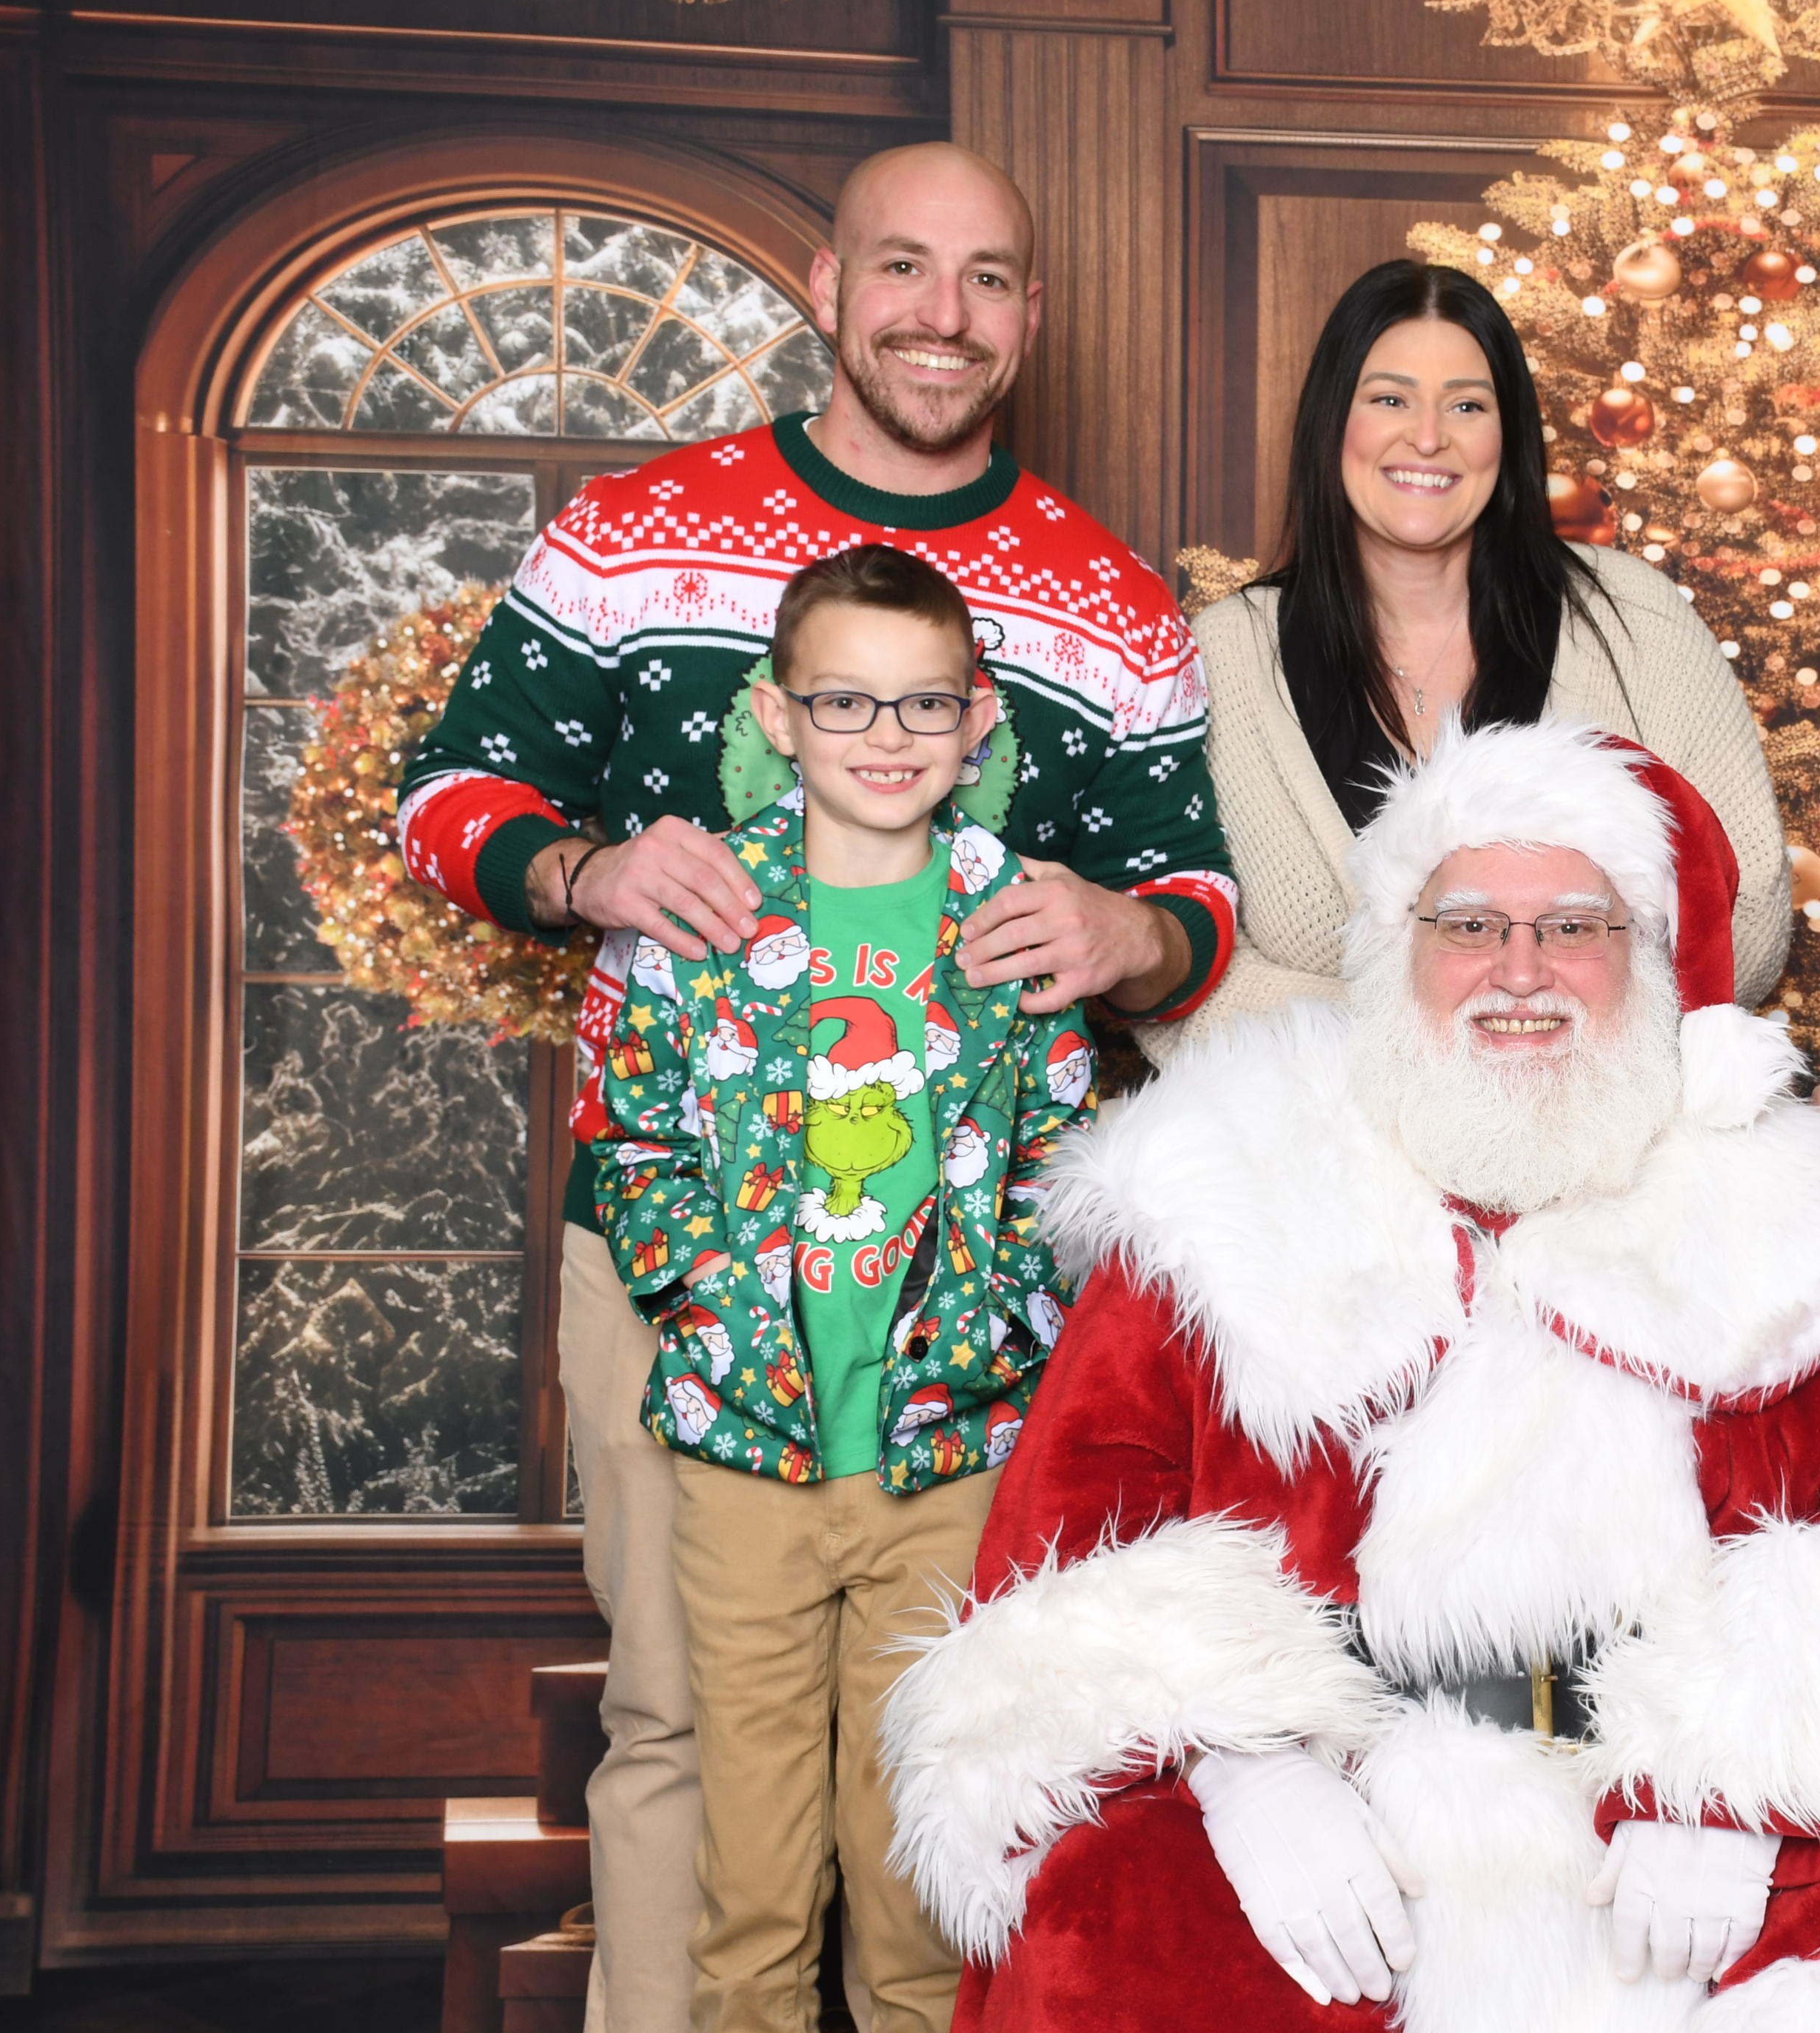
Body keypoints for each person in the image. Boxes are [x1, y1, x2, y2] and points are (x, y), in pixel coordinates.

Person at [877, 721, 1820, 2033]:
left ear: (1651, 958)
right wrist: (1235, 1760)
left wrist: (1742, 1784)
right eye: (1471, 925)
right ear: (1398, 950)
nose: (1521, 972)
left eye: (1576, 927)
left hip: (1675, 1828)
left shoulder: (1802, 1229)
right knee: (1116, 1933)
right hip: (1336, 1800)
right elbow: (1067, 1549)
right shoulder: (1223, 1195)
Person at [395, 142, 1236, 2030]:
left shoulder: (1109, 599)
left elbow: (1195, 907)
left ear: (1031, 310)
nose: (946, 314)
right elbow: (446, 793)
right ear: (829, 286)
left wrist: (1129, 930)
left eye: (990, 277)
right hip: (679, 1259)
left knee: (933, 1722)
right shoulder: (634, 531)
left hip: (958, 1310)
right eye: (904, 268)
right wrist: (585, 870)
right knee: (683, 1713)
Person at [593, 545, 1094, 2032]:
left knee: (916, 1873)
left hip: (949, 1454)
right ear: (780, 714)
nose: (887, 736)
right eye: (846, 703)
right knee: (752, 1874)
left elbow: (1060, 1150)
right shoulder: (707, 906)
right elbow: (634, 1133)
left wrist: (1002, 1327)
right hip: (746, 1453)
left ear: (978, 718)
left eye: (924, 703)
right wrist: (702, 1303)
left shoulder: (1013, 914)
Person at [1145, 258, 1786, 1061]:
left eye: (1467, 405)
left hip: (1607, 1121)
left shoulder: (1637, 622)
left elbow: (1750, 911)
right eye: (1389, 399)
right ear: (1331, 422)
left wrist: (1544, 1035)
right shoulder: (1226, 655)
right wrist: (1442, 1034)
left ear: (1507, 435)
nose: (1427, 437)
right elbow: (1179, 966)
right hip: (1306, 1128)